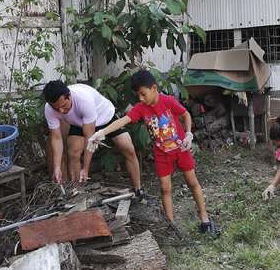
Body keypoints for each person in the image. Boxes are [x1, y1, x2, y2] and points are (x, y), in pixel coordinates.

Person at [86, 70, 217, 234]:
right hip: (161, 153)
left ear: (154, 88)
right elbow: (123, 120)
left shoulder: (168, 101)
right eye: (138, 95)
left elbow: (185, 114)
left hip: (181, 149)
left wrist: (189, 134)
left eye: (143, 94)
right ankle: (171, 225)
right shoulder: (141, 108)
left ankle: (204, 218)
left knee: (192, 182)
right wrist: (101, 133)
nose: (140, 98)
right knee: (165, 188)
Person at [42, 80, 144, 197]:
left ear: (69, 96)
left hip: (105, 118)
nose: (61, 111)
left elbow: (90, 138)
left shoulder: (83, 100)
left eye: (64, 106)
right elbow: (56, 138)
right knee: (73, 152)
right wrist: (57, 167)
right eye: (56, 108)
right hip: (80, 122)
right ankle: (77, 192)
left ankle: (138, 189)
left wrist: (85, 169)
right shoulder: (49, 109)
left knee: (127, 147)